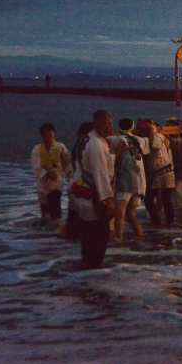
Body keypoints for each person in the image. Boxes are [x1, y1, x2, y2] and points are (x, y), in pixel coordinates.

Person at [70, 109, 116, 270]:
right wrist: (108, 200)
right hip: (93, 196)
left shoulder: (87, 139)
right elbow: (100, 174)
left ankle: (87, 265)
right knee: (100, 234)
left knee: (88, 233)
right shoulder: (96, 144)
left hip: (81, 193)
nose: (110, 127)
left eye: (110, 124)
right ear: (96, 124)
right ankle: (95, 267)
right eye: (106, 124)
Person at [109, 118, 150, 241]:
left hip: (125, 180)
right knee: (131, 214)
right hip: (140, 181)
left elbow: (111, 158)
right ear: (132, 127)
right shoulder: (141, 140)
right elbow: (146, 151)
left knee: (119, 211)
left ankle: (118, 237)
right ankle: (140, 236)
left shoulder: (116, 140)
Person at [30, 123, 71, 226]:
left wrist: (69, 174)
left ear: (54, 134)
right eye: (46, 134)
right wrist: (47, 173)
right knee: (44, 207)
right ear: (42, 135)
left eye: (50, 133)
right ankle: (46, 229)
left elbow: (67, 161)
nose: (48, 136)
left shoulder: (60, 147)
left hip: (56, 180)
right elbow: (36, 165)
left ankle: (57, 226)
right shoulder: (37, 149)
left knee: (55, 203)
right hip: (42, 181)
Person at [63, 121, 94, 241]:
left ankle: (70, 239)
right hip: (80, 185)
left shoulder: (79, 144)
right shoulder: (85, 146)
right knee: (84, 218)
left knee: (74, 215)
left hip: (74, 184)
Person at [142, 119, 176, 226]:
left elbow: (153, 145)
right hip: (158, 172)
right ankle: (159, 221)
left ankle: (167, 222)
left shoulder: (158, 137)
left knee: (164, 199)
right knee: (150, 200)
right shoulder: (147, 139)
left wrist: (151, 130)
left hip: (165, 171)